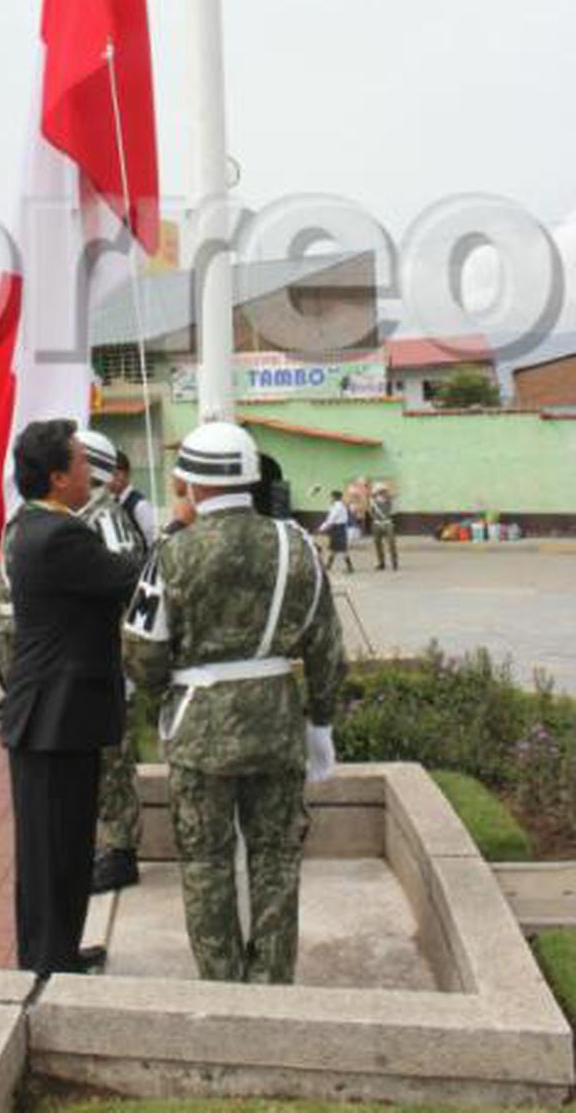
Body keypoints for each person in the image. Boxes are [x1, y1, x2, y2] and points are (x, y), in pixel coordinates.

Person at [124, 421, 346, 985]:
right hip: (277, 722)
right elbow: (326, 644)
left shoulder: (172, 552)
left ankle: (224, 985)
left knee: (206, 863)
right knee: (276, 858)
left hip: (200, 729)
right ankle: (272, 981)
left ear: (193, 486)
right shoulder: (295, 543)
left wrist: (166, 685)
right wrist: (320, 723)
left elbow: (144, 655)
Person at [1, 420, 142, 979]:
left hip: (56, 715)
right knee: (52, 848)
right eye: (83, 463)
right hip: (53, 716)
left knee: (61, 844)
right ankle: (45, 962)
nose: (93, 473)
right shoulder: (61, 535)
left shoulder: (37, 524)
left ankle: (57, 950)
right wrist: (180, 532)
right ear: (58, 478)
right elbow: (129, 575)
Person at [76, 430, 148, 897]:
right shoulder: (88, 516)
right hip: (94, 660)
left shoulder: (107, 518)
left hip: (111, 661)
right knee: (101, 761)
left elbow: (127, 586)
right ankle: (111, 844)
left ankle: (122, 853)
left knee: (114, 761)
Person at [109, 450, 155, 555]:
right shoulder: (111, 502)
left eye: (116, 474)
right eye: (109, 475)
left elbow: (152, 543)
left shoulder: (140, 505)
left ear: (128, 473)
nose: (112, 480)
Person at [318, 489, 354, 573]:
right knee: (333, 548)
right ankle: (328, 565)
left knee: (342, 548)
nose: (329, 499)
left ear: (334, 497)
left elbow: (331, 519)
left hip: (338, 528)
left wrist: (321, 528)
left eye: (331, 497)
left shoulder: (338, 507)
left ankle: (350, 567)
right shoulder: (337, 506)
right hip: (337, 528)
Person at [370, 483, 399, 571]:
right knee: (378, 544)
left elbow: (394, 494)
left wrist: (386, 490)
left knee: (391, 543)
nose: (382, 493)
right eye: (380, 491)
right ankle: (381, 563)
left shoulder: (388, 499)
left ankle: (394, 562)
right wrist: (375, 519)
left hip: (387, 523)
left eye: (382, 491)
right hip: (377, 523)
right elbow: (371, 511)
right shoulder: (373, 501)